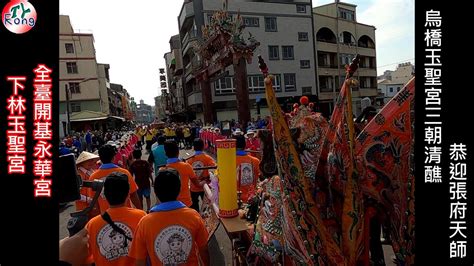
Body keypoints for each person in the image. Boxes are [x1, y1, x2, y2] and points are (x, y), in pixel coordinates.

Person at [129, 169, 210, 266]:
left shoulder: (145, 222)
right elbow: (204, 249)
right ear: (179, 189)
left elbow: (140, 261)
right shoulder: (193, 216)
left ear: (155, 191)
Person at [85, 173, 147, 266]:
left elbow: (88, 259)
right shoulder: (141, 217)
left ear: (105, 195)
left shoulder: (92, 224)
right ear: (127, 194)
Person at [88, 145, 142, 213]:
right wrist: (140, 211)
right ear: (113, 157)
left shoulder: (93, 177)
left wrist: (99, 218)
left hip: (106, 218)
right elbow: (133, 195)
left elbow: (94, 201)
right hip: (126, 215)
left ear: (100, 159)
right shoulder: (124, 173)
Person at [162, 141, 199, 207]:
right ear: (178, 152)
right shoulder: (186, 166)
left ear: (165, 154)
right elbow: (197, 184)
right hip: (186, 203)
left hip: (170, 206)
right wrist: (205, 181)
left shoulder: (162, 170)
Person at [186, 139, 216, 212]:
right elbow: (215, 169)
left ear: (194, 147)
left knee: (195, 208)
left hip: (193, 187)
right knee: (206, 208)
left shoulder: (189, 159)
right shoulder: (207, 158)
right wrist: (209, 177)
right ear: (203, 147)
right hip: (205, 186)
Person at [234, 135, 261, 203]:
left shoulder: (227, 162)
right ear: (245, 144)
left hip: (233, 200)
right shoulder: (256, 161)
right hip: (252, 200)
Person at [75, 151, 101, 218]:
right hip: (83, 208)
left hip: (94, 205)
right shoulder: (78, 174)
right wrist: (89, 199)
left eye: (92, 160)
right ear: (82, 163)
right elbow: (75, 193)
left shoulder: (92, 171)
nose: (91, 163)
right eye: (88, 161)